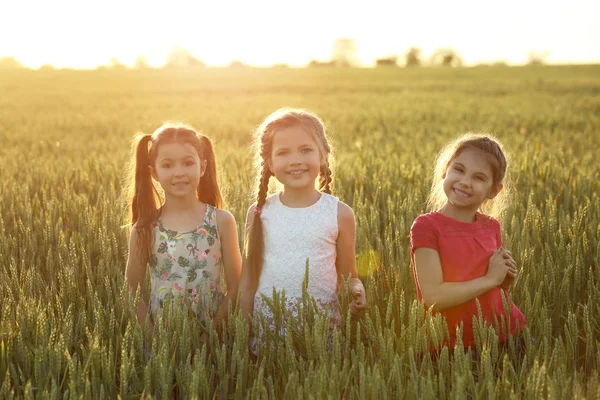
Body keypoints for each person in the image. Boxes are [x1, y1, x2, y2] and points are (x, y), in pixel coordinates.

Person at [239, 108, 367, 352]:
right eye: (283, 153)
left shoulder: (339, 213)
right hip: (269, 335)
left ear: (323, 156)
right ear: (270, 163)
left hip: (322, 334)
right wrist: (244, 337)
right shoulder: (259, 212)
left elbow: (348, 276)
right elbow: (248, 281)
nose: (295, 160)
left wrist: (357, 291)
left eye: (305, 150)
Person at [124, 123, 242, 349]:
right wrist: (156, 342)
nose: (179, 172)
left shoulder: (221, 221)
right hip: (162, 339)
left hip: (214, 338)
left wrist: (210, 337)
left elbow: (236, 287)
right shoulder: (144, 229)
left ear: (203, 166)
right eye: (167, 165)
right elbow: (131, 291)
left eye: (188, 163)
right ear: (154, 173)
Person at [410, 134, 525, 352]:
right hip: (453, 345)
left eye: (479, 178)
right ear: (445, 171)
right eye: (459, 170)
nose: (465, 182)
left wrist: (505, 279)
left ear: (493, 191)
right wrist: (491, 279)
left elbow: (492, 289)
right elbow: (433, 297)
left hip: (507, 335)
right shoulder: (426, 227)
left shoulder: (492, 226)